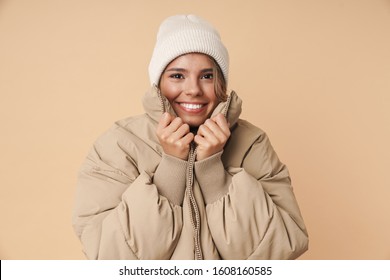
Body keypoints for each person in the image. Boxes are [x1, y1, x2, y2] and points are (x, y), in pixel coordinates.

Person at [72, 14, 308, 260]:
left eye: (207, 76)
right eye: (177, 75)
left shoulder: (252, 143)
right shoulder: (119, 145)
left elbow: (277, 252)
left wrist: (213, 171)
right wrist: (171, 168)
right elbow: (111, 258)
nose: (194, 89)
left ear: (221, 83)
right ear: (158, 83)